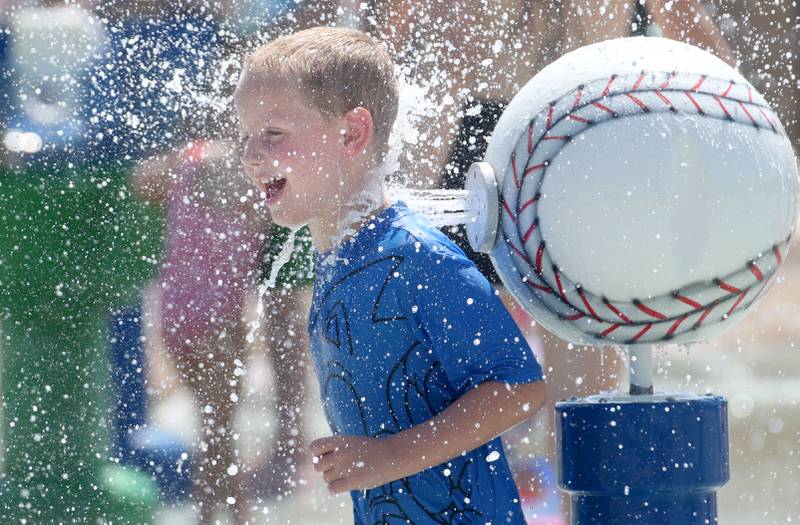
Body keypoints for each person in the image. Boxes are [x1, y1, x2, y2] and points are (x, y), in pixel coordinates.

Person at [235, 26, 547, 523]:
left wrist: (390, 457)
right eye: (245, 134)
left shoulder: (416, 257)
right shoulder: (340, 258)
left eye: (273, 133)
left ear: (352, 133)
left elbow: (519, 387)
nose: (250, 155)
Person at [132, 139, 267, 524]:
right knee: (219, 426)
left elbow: (141, 183)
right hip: (218, 320)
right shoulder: (251, 176)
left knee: (213, 424)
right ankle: (226, 515)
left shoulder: (189, 164)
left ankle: (219, 513)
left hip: (176, 315)